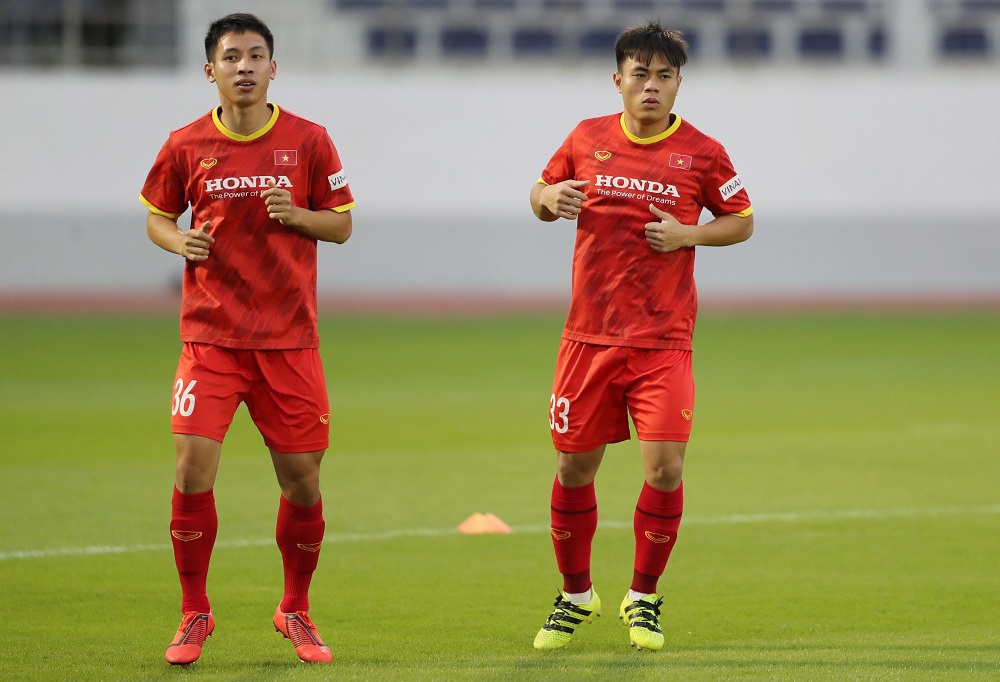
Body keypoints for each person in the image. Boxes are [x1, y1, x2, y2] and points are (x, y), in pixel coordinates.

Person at [529, 22, 753, 652]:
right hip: (589, 337)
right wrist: (549, 197)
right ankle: (576, 595)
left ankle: (644, 596)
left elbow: (741, 220)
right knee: (574, 467)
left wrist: (689, 235)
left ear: (679, 83)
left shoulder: (703, 152)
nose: (650, 86)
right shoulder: (586, 137)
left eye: (663, 76)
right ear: (618, 79)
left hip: (662, 339)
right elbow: (539, 196)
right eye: (640, 74)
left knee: (665, 468)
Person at [139, 13, 355, 666]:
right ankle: (193, 611)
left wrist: (300, 216)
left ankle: (295, 607)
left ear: (273, 68)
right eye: (231, 56)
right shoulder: (185, 144)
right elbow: (157, 216)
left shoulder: (309, 140)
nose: (244, 66)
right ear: (210, 70)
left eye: (256, 55)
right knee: (191, 468)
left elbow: (342, 226)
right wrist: (180, 241)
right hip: (211, 339)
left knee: (303, 483)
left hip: (289, 342)